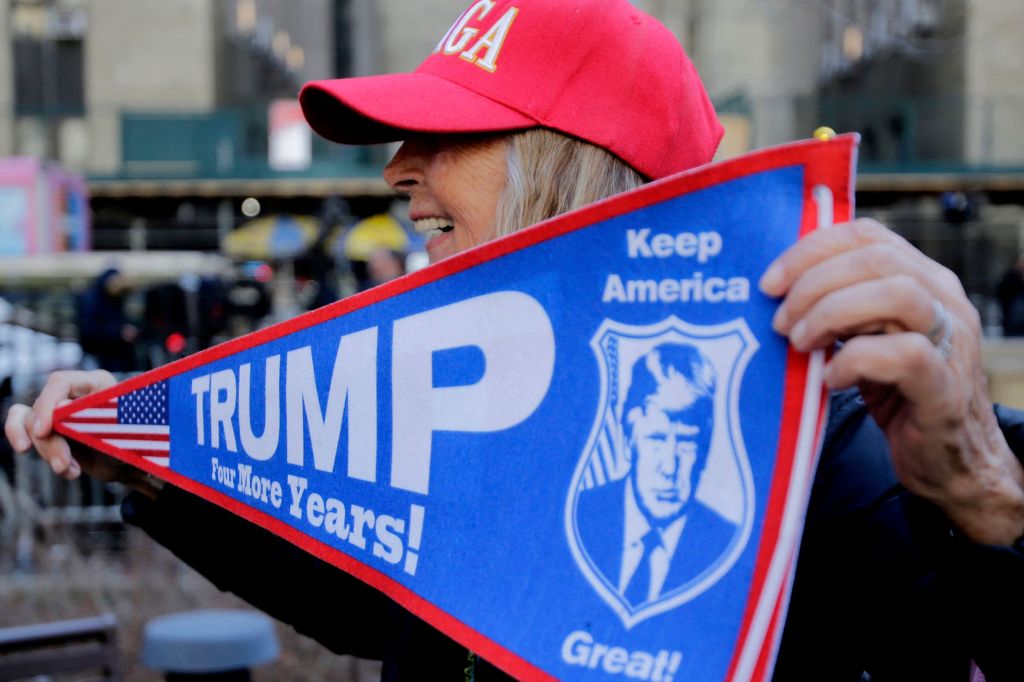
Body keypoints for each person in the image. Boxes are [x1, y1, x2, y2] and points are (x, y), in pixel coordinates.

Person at [5, 1, 1024, 679]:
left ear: (571, 168)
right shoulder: (468, 396)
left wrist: (981, 492)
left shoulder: (828, 428)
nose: (400, 173)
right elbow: (375, 606)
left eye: (447, 135)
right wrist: (151, 460)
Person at [576, 342, 738, 608]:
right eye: (656, 439)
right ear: (629, 437)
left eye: (687, 442)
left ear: (705, 450)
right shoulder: (579, 517)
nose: (669, 467)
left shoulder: (726, 544)